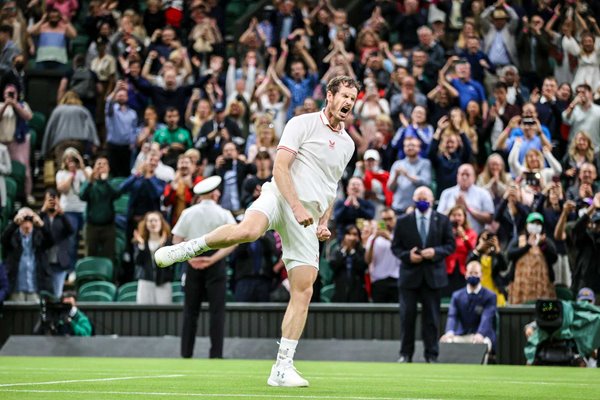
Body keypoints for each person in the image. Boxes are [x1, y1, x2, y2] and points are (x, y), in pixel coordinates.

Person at [154, 76, 360, 387]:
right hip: (280, 196)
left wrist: (323, 221)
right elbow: (280, 167)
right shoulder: (301, 123)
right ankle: (189, 248)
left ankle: (281, 368)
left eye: (353, 98)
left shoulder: (348, 143)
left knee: (304, 289)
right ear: (329, 96)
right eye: (344, 95)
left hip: (306, 217)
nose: (348, 102)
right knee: (249, 231)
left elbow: (330, 187)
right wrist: (296, 207)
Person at [172, 176, 236, 359]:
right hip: (215, 262)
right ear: (214, 193)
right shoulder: (223, 213)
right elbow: (234, 241)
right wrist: (213, 259)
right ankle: (216, 354)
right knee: (217, 312)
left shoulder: (188, 213)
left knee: (190, 311)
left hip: (193, 260)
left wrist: (190, 258)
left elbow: (176, 240)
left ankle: (186, 353)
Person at [391, 186, 455, 363]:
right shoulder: (403, 221)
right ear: (413, 199)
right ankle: (405, 354)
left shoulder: (441, 220)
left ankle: (431, 355)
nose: (422, 202)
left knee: (432, 319)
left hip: (433, 277)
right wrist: (408, 256)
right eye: (419, 198)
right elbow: (395, 247)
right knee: (407, 318)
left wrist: (435, 252)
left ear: (433, 200)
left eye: (426, 199)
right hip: (409, 277)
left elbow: (450, 245)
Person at [440, 261, 497, 362]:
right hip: (462, 334)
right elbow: (452, 316)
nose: (473, 276)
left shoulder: (490, 296)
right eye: (470, 273)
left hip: (482, 335)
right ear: (466, 275)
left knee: (481, 344)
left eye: (476, 273)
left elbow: (487, 317)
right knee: (447, 341)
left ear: (481, 275)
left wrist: (480, 334)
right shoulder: (457, 296)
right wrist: (449, 332)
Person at [2, 207, 53, 302]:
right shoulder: (13, 235)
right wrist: (14, 224)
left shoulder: (39, 235)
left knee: (36, 315)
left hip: (35, 286)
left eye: (30, 219)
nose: (27, 223)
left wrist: (42, 225)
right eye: (24, 219)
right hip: (16, 287)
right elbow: (4, 239)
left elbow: (51, 241)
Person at [506, 212, 557, 305]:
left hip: (542, 284)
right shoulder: (518, 239)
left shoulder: (546, 241)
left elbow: (554, 258)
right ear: (527, 225)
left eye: (538, 224)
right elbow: (509, 254)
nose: (535, 226)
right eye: (533, 223)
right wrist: (527, 246)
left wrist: (543, 245)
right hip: (521, 284)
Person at [79, 155, 120, 260]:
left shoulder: (111, 182)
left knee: (109, 256)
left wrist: (105, 181)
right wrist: (91, 180)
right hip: (91, 226)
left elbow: (116, 194)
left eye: (104, 164)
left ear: (109, 168)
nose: (101, 166)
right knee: (90, 255)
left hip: (108, 226)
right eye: (99, 164)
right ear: (94, 167)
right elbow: (82, 196)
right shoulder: (89, 183)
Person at [437, 163, 495, 234]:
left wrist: (468, 208)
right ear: (457, 176)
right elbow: (438, 218)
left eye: (467, 175)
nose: (464, 177)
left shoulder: (483, 193)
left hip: (476, 237)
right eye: (462, 174)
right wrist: (454, 208)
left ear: (474, 177)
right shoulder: (446, 193)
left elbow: (489, 219)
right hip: (451, 237)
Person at [132, 211, 174, 304]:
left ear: (161, 222)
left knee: (164, 313)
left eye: (156, 220)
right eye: (150, 221)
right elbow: (138, 262)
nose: (153, 223)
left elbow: (170, 262)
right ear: (146, 224)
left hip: (163, 282)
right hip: (146, 281)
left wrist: (161, 246)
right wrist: (142, 246)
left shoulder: (168, 242)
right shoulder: (140, 241)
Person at [39, 189, 73, 298]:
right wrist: (42, 211)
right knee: (44, 295)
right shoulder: (41, 217)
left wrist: (62, 213)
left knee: (57, 295)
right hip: (44, 261)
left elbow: (71, 230)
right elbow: (34, 229)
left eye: (54, 199)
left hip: (59, 261)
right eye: (49, 199)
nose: (52, 202)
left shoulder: (62, 217)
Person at [365, 208, 400, 303]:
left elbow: (403, 254)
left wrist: (389, 238)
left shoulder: (400, 237)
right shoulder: (373, 238)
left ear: (395, 219)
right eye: (384, 220)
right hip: (379, 280)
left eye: (390, 219)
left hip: (397, 279)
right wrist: (374, 240)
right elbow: (368, 260)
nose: (388, 222)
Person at [444, 205, 478, 298]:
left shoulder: (471, 233)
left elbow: (472, 249)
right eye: (454, 215)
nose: (457, 218)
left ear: (464, 217)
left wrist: (464, 236)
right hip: (447, 269)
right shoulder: (445, 232)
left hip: (463, 270)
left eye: (459, 215)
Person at [329, 225, 368, 302]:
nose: (351, 237)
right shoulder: (338, 251)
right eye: (349, 234)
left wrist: (352, 251)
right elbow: (333, 266)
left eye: (354, 234)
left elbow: (362, 267)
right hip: (340, 291)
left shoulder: (362, 251)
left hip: (357, 292)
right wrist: (344, 250)